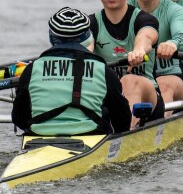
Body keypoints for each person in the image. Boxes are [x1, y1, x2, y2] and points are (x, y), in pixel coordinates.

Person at [11, 7, 132, 136]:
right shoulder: (104, 70)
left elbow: (19, 117)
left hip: (39, 137)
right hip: (91, 136)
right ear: (87, 37)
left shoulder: (32, 69)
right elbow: (122, 120)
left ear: (52, 37)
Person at [87, 0, 162, 128]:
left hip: (147, 97)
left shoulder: (144, 19)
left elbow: (146, 37)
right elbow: (86, 49)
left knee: (128, 81)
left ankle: (124, 133)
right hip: (108, 96)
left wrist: (139, 50)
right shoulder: (90, 24)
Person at [128, 0, 183, 115]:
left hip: (169, 75)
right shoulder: (124, 8)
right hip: (138, 78)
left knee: (163, 84)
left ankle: (156, 132)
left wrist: (172, 43)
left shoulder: (174, 10)